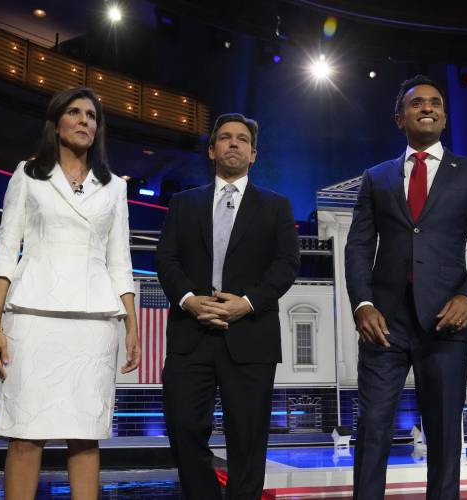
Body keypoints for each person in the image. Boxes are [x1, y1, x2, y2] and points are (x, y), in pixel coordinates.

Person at [345, 75, 467, 499]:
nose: (427, 108)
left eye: (435, 102)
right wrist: (362, 305)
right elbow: (358, 247)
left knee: (444, 434)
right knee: (373, 428)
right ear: (401, 118)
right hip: (384, 325)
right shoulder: (375, 178)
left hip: (446, 324)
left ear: (445, 116)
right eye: (417, 103)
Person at [0, 86, 141, 499]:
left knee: (85, 435)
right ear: (56, 124)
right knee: (25, 432)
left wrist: (131, 324)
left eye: (91, 116)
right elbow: (6, 249)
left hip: (94, 323)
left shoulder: (113, 187)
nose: (84, 121)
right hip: (31, 316)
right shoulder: (28, 173)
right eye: (74, 113)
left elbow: (119, 261)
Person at [155, 113, 300, 499]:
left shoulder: (276, 206)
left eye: (241, 139)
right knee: (184, 428)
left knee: (248, 439)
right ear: (211, 149)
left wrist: (248, 303)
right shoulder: (184, 204)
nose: (233, 143)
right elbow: (166, 259)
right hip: (191, 334)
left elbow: (287, 264)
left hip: (251, 334)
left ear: (254, 154)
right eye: (224, 137)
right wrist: (189, 300)